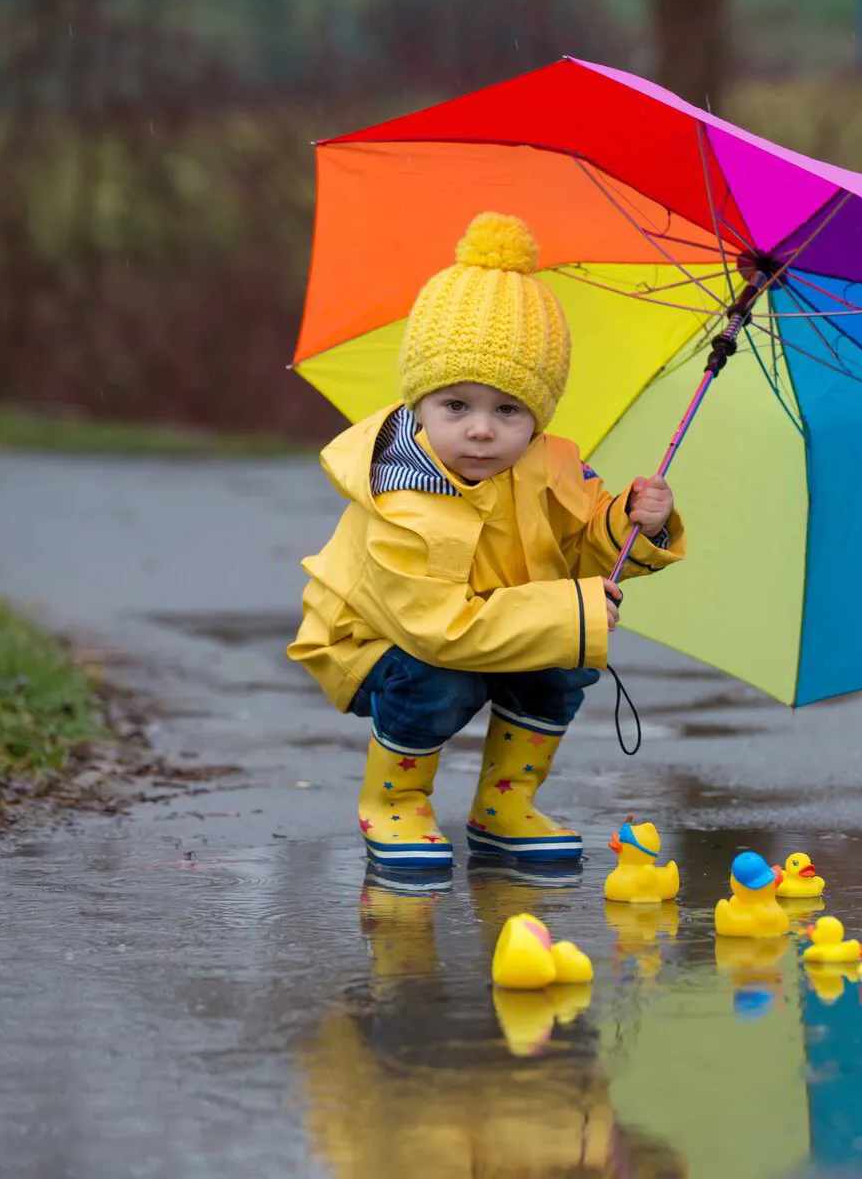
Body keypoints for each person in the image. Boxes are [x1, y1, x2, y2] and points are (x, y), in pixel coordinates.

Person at [288, 211, 686, 869]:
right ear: (419, 404)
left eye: (508, 410)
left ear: (538, 415)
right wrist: (572, 611)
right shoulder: (402, 495)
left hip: (491, 621)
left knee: (564, 657)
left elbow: (580, 548)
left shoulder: (548, 465)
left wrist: (632, 523)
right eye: (457, 406)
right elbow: (436, 629)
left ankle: (505, 804)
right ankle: (396, 800)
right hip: (385, 646)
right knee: (447, 676)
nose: (481, 431)